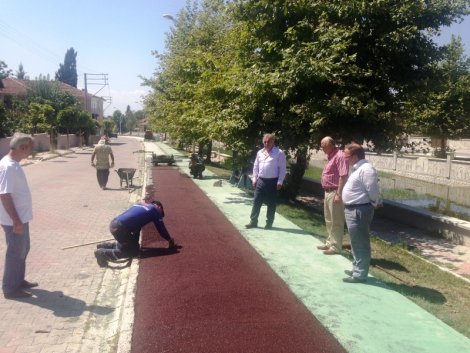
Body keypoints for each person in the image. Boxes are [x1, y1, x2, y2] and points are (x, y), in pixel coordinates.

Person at [0, 133, 38, 299]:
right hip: (14, 220)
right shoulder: (7, 167)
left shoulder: (13, 164)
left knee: (23, 249)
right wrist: (15, 220)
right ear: (22, 148)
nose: (30, 153)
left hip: (20, 218)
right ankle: (10, 288)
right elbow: (4, 195)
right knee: (15, 252)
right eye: (29, 149)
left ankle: (18, 280)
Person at [94, 200, 177, 267]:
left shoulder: (141, 204)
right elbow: (161, 229)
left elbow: (136, 228)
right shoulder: (155, 210)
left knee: (131, 247)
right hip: (121, 228)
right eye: (161, 212)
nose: (160, 214)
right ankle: (102, 253)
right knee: (131, 252)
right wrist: (169, 240)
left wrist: (135, 245)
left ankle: (103, 245)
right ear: (159, 206)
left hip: (115, 224)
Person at [341, 143, 381, 283]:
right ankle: (356, 268)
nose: (345, 158)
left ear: (355, 156)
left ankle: (360, 274)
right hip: (353, 209)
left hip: (359, 210)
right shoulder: (357, 168)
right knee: (355, 241)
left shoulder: (367, 169)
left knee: (361, 242)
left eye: (346, 156)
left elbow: (373, 190)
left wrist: (375, 202)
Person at [245, 133, 287, 230]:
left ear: (273, 142)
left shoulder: (279, 153)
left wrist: (280, 181)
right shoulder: (260, 152)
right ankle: (253, 221)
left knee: (271, 203)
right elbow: (256, 166)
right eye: (265, 142)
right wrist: (254, 179)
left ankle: (269, 223)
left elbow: (282, 169)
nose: (266, 144)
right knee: (256, 201)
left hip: (272, 181)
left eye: (268, 142)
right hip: (261, 180)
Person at [317, 136, 349, 255]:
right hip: (328, 191)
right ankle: (329, 242)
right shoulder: (331, 156)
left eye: (323, 145)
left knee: (336, 221)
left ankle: (336, 247)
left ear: (331, 145)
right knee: (329, 219)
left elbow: (343, 176)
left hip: (335, 192)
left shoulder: (339, 156)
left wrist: (338, 194)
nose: (322, 148)